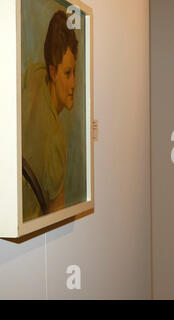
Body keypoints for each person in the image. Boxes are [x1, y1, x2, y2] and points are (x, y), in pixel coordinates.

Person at [22, 10, 78, 221]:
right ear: (53, 72)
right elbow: (57, 218)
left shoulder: (35, 75)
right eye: (67, 73)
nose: (73, 83)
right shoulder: (56, 140)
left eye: (75, 71)